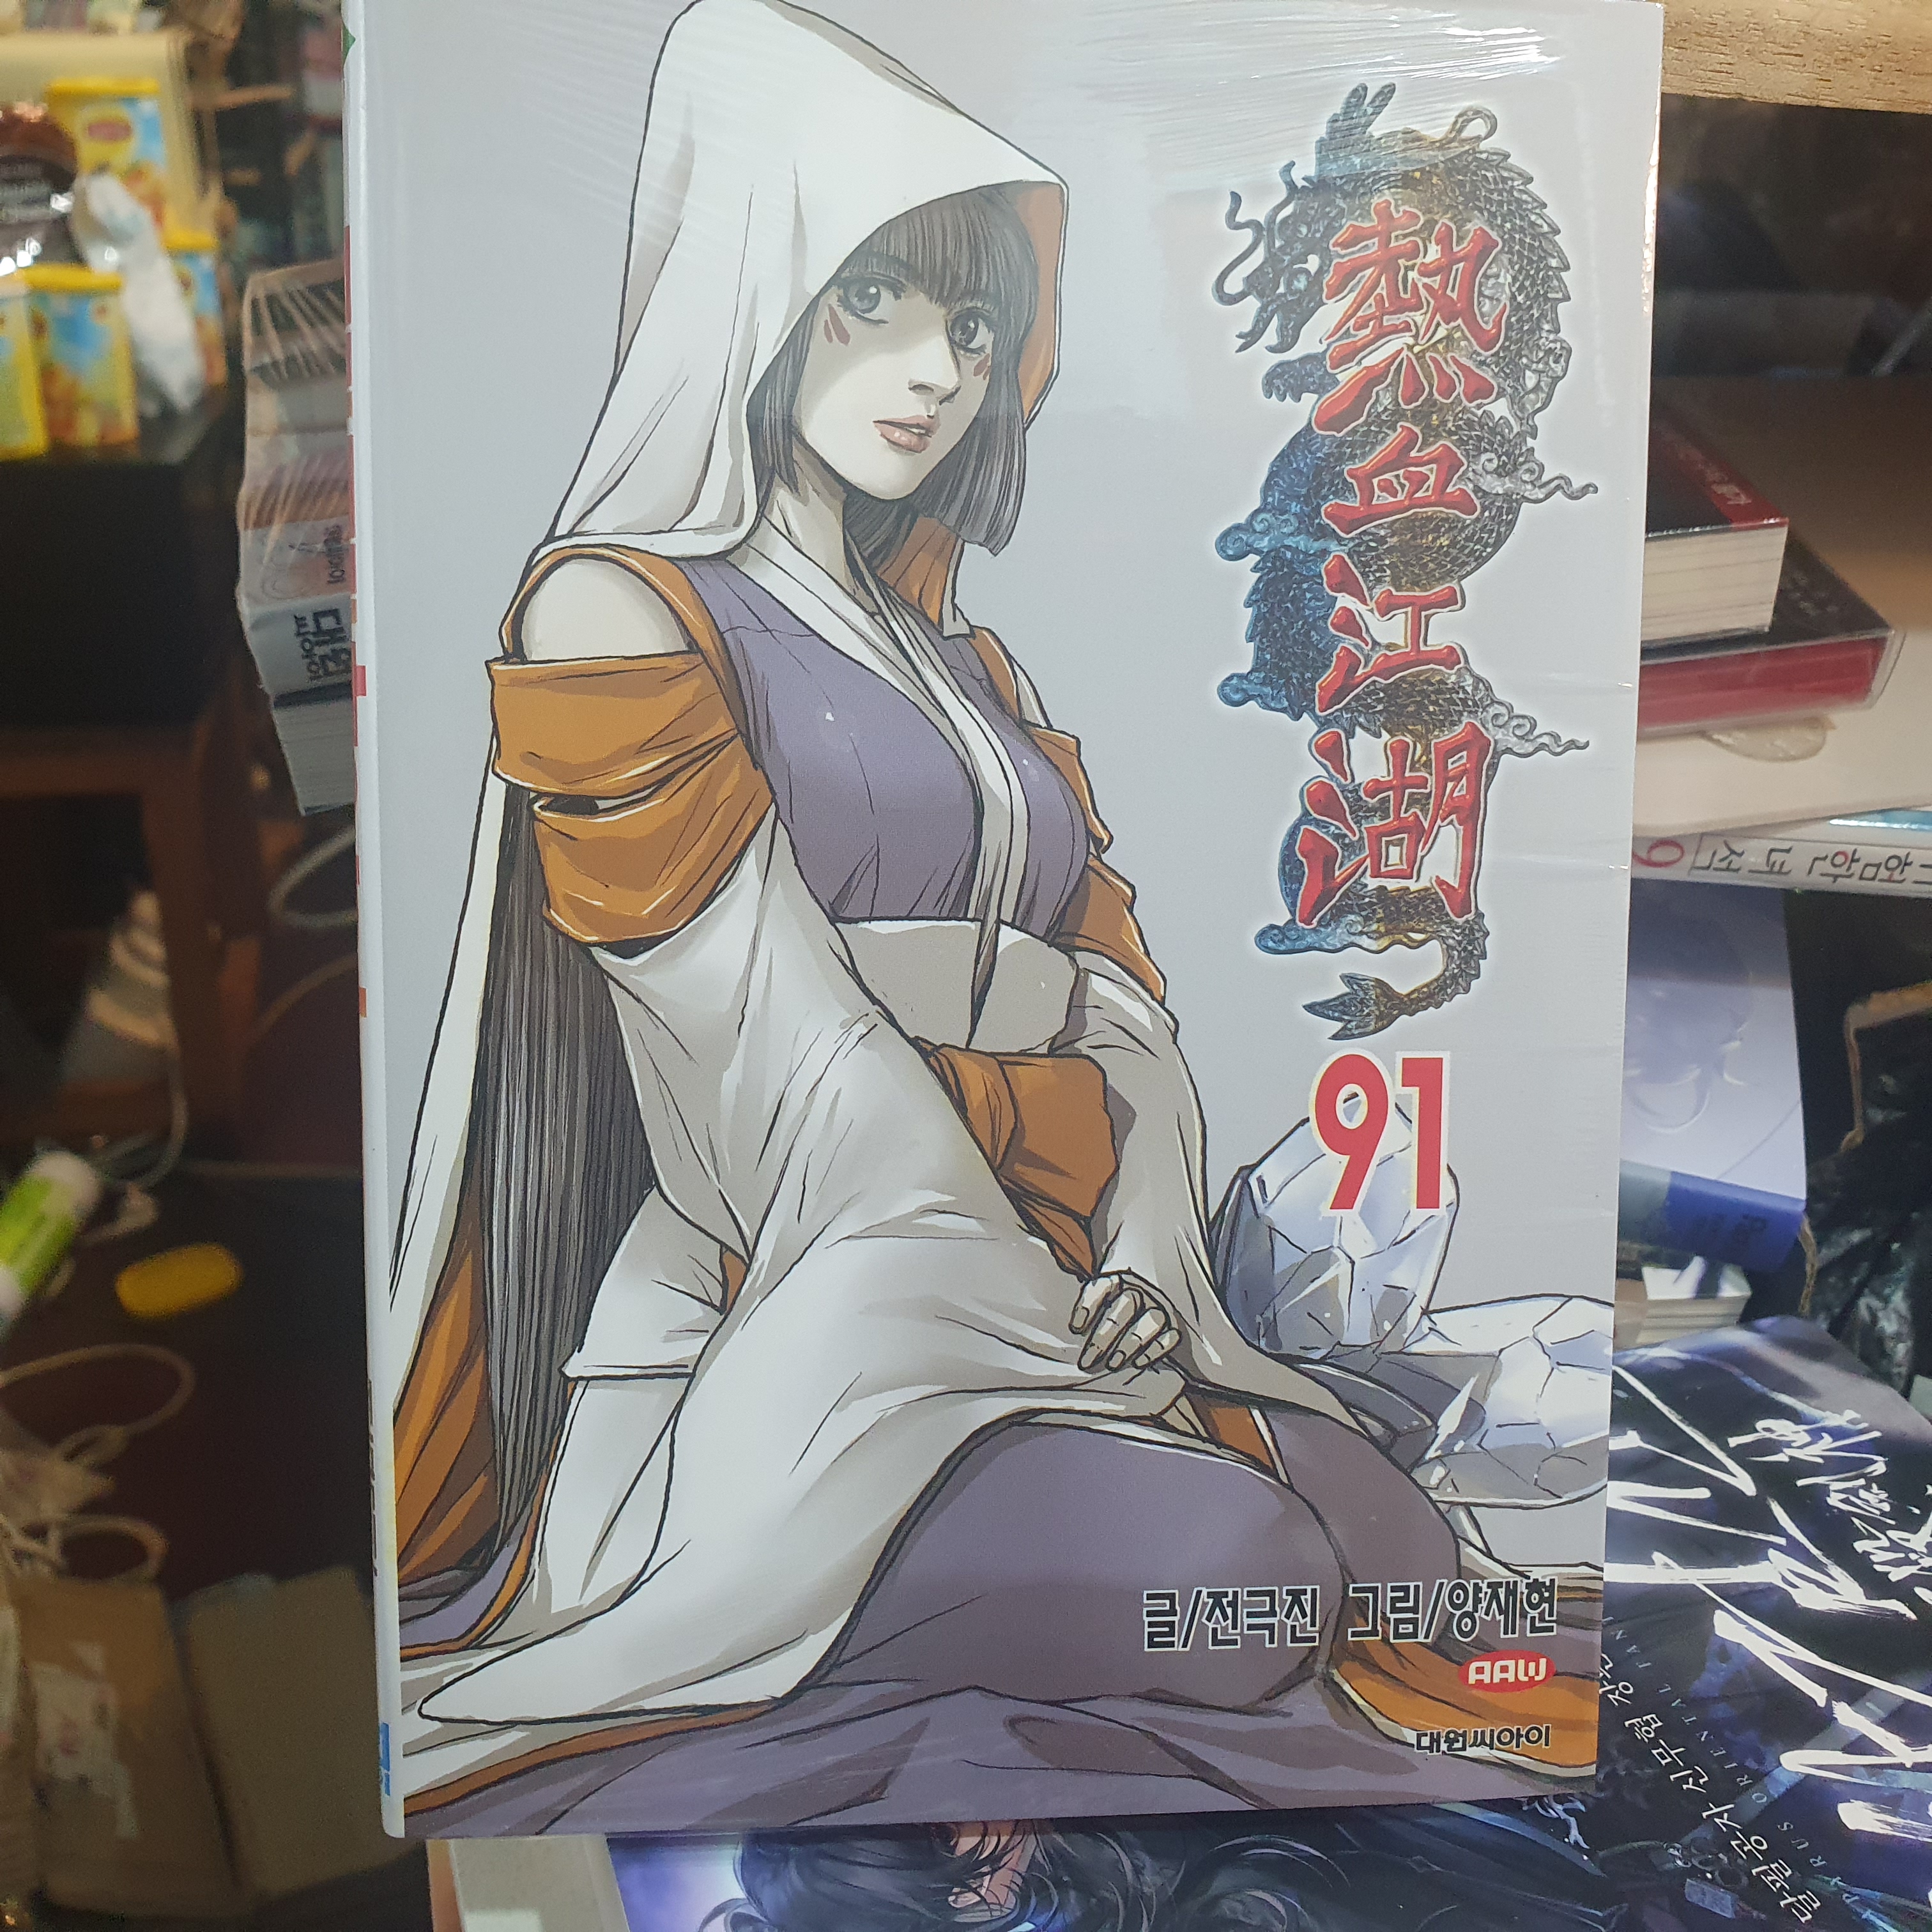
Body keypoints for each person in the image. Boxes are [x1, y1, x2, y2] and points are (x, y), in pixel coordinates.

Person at [384, 0, 1589, 1821]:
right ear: (752, 276)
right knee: (1241, 1578)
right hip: (801, 1320)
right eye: (873, 295)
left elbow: (1122, 995)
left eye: (970, 320)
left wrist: (1142, 1258)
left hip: (1059, 1262)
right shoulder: (614, 614)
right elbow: (777, 1072)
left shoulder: (968, 661)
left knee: (1390, 1543)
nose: (935, 366)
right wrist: (1041, 1289)